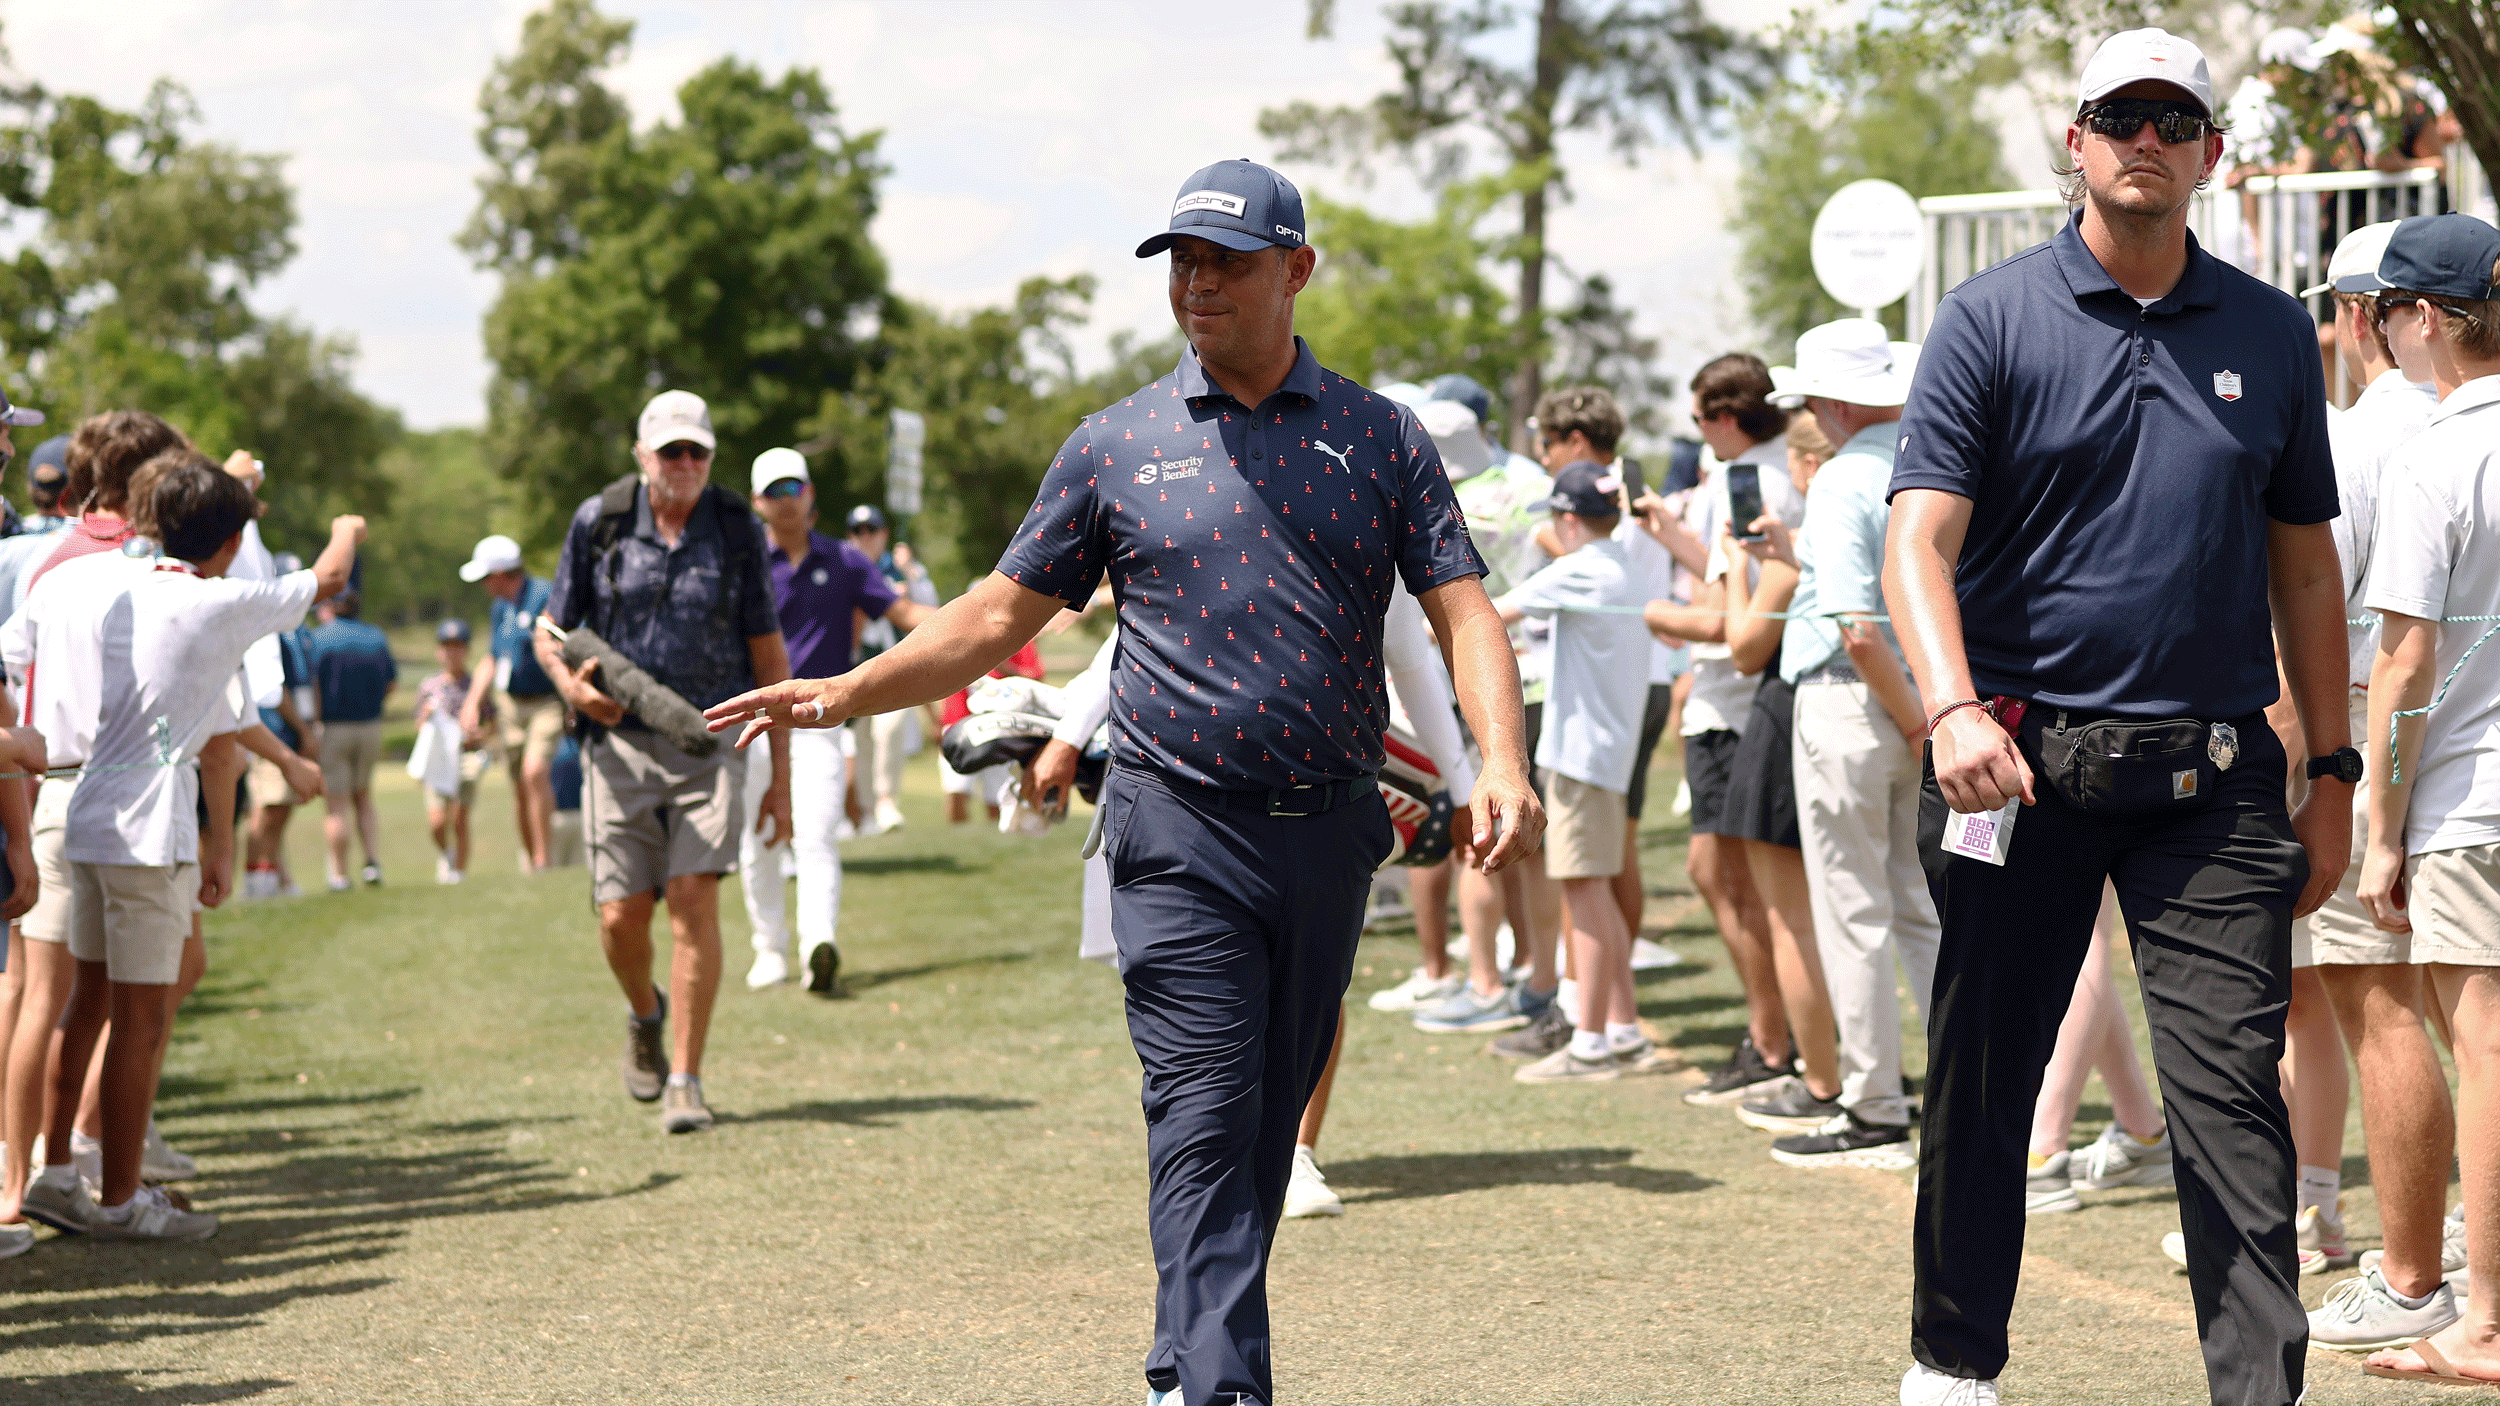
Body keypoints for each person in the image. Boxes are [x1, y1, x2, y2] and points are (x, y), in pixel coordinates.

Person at [704, 157, 1539, 1406]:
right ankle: (1217, 1389)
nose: (1196, 285)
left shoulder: (1381, 437)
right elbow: (995, 612)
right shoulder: (1115, 444)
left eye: (1226, 262)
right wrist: (844, 690)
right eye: (1180, 264)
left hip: (1325, 835)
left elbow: (1462, 614)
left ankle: (1177, 1365)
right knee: (1201, 1110)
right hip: (1171, 822)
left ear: (1296, 271)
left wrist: (1499, 765)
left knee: (1259, 1127)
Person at [1883, 30, 2352, 1406]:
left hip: (2212, 782)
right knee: (1983, 1078)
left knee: (2231, 1107)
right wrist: (1952, 708)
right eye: (2119, 115)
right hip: (2013, 770)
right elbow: (1919, 543)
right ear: (2074, 143)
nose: (2146, 137)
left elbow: (2307, 561)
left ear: (2211, 151)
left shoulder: (2271, 328)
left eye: (2175, 117)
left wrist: (2329, 762)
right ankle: (1953, 1364)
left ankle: (2257, 1392)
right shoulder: (1988, 317)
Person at [47, 453, 362, 1240]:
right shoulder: (215, 603)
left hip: (89, 807)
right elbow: (325, 579)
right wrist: (347, 528)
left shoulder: (126, 586)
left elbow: (216, 716)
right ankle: (120, 1200)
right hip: (149, 827)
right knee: (140, 1021)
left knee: (86, 1006)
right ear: (228, 540)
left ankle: (55, 1173)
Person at [534, 389, 791, 1136]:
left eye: (697, 452)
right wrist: (572, 688)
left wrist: (780, 782)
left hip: (711, 742)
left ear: (711, 459)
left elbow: (767, 652)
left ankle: (686, 1077)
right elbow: (553, 629)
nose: (684, 464)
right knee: (620, 915)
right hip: (616, 743)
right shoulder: (601, 522)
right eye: (671, 451)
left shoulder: (737, 528)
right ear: (643, 457)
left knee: (692, 901)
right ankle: (645, 1012)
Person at [2341, 212, 2500, 1385]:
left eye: (2392, 308)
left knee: (2484, 1046)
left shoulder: (2437, 452)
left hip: (2470, 798)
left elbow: (2399, 662)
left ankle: (2484, 1317)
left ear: (2429, 319)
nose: (2383, 326)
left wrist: (2378, 828)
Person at [2273, 219, 2442, 1299]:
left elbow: (2316, 629)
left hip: (2378, 739)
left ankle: (2412, 1270)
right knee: (2464, 1011)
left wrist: (2295, 778)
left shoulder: (2353, 438)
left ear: (2349, 317)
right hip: (2467, 747)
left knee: (2374, 1012)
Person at [1747, 319, 1940, 1171]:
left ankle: (1872, 1106)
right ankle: (1958, 1087)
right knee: (1917, 909)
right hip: (1927, 701)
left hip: (1858, 705)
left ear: (1827, 403)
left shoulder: (1837, 481)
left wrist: (1910, 718)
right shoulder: (1929, 459)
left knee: (1856, 911)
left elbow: (1857, 628)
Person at [1, 408, 186, 1236]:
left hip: (46, 784)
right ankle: (103, 1174)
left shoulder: (50, 561)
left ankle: (27, 1176)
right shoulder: (154, 571)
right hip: (125, 793)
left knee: (46, 997)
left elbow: (11, 668)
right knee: (123, 997)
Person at [1645, 356, 1800, 1106]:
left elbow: (1743, 614)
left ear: (1727, 416)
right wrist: (1676, 537)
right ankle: (1780, 1036)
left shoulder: (1749, 481)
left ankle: (1775, 1041)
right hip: (1731, 701)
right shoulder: (1764, 473)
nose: (1700, 433)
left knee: (1732, 879)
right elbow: (1733, 579)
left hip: (1734, 704)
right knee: (1730, 878)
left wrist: (1667, 619)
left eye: (1702, 418)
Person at [1492, 461, 1656, 1082]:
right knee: (1598, 893)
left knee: (1584, 895)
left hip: (1582, 757)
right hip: (1601, 755)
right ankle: (1622, 1027)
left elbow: (1495, 612)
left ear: (1567, 518)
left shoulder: (1584, 567)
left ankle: (1589, 1043)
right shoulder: (1624, 565)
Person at [742, 447, 929, 992]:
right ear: (757, 502)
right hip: (753, 725)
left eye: (793, 489)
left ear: (810, 495)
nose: (785, 501)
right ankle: (768, 948)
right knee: (758, 840)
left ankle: (817, 944)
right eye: (773, 492)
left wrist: (989, 623)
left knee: (818, 833)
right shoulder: (744, 566)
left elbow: (902, 614)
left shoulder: (843, 560)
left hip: (819, 723)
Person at [459, 534, 563, 874]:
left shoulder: (545, 595)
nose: (484, 585)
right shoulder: (499, 607)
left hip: (547, 701)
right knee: (518, 783)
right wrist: (473, 702)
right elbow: (492, 657)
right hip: (510, 706)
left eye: (486, 577)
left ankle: (544, 859)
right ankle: (530, 859)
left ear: (502, 573)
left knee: (535, 772)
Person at [844, 504, 937, 835]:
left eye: (873, 531)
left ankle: (885, 801)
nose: (866, 538)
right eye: (858, 532)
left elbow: (930, 610)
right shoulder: (845, 568)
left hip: (895, 662)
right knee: (861, 742)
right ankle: (866, 811)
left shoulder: (900, 570)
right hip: (855, 665)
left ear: (883, 534)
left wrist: (909, 574)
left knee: (890, 728)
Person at [304, 588, 395, 890]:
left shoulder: (319, 639)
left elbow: (313, 686)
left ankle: (340, 874)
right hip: (369, 727)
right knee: (364, 798)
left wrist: (312, 725)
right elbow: (390, 682)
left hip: (334, 729)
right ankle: (371, 863)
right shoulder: (375, 636)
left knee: (337, 805)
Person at [242, 587, 321, 900]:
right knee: (267, 810)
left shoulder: (300, 630)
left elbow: (307, 681)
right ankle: (256, 881)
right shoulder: (268, 630)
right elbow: (276, 691)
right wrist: (304, 730)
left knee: (281, 811)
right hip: (274, 731)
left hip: (293, 730)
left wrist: (310, 727)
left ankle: (271, 876)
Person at [414, 619, 490, 885]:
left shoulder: (476, 686)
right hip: (439, 759)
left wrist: (481, 734)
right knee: (437, 820)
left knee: (459, 816)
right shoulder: (428, 686)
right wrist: (425, 718)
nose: (451, 653)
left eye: (457, 646)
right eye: (447, 647)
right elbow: (420, 726)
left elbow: (491, 724)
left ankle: (459, 870)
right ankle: (446, 854)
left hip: (466, 756)